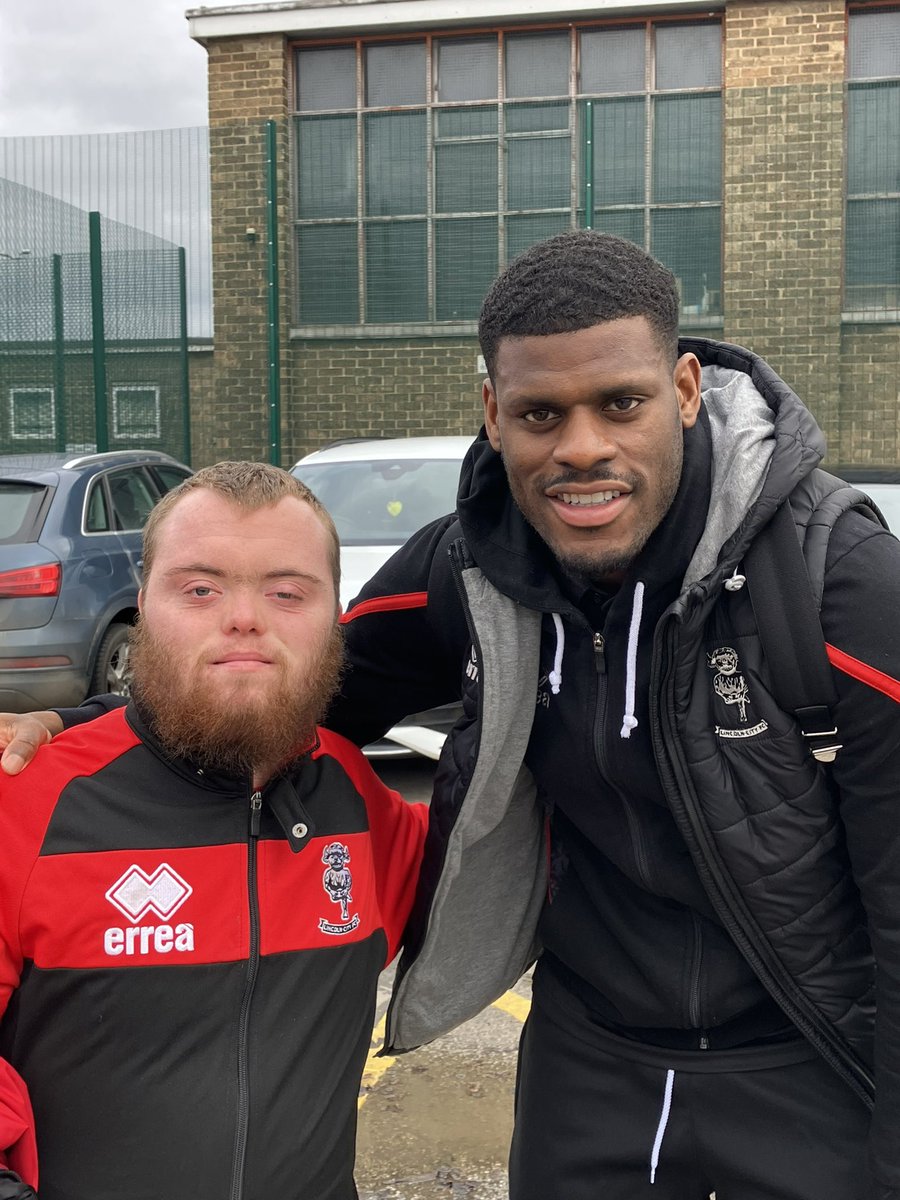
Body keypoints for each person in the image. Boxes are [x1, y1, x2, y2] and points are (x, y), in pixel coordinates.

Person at [3, 233, 900, 1199]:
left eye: (622, 404)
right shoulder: (472, 564)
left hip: (804, 1055)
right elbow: (299, 678)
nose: (582, 446)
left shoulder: (835, 584)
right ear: (493, 413)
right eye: (540, 413)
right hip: (588, 1056)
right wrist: (94, 724)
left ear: (684, 391)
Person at [0, 462, 426, 1200]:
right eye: (199, 588)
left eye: (288, 592)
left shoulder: (358, 800)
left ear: (334, 618)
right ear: (142, 608)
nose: (244, 618)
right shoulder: (28, 802)